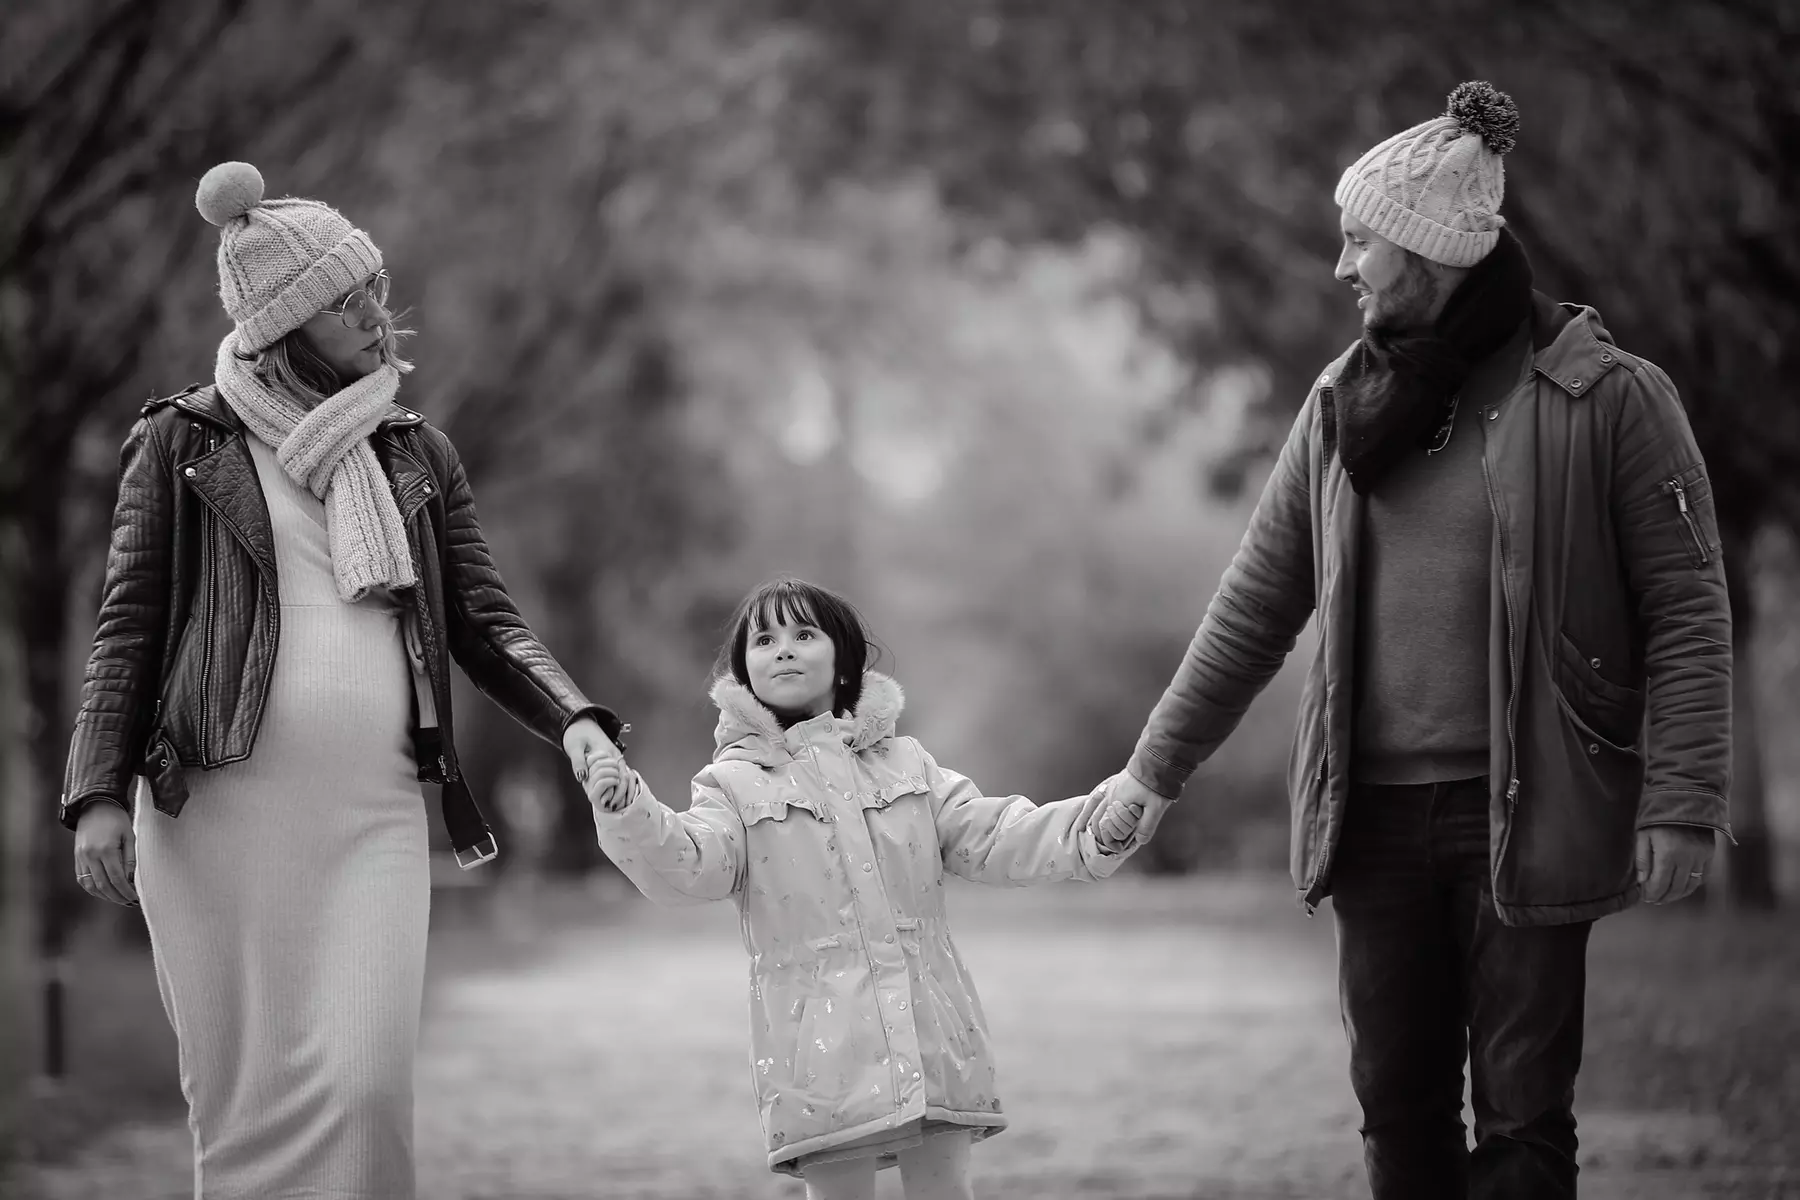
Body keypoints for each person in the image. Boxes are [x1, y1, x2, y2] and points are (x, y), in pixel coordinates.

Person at [1092, 82, 1733, 1199]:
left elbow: (1687, 605)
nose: (1342, 266)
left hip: (1527, 806)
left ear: (1430, 251)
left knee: (1527, 1122)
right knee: (1400, 1118)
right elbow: (1255, 605)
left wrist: (1684, 801)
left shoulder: (1605, 397)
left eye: (1361, 240)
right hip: (1373, 820)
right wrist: (1152, 775)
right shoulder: (1343, 403)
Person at [61, 161, 626, 1199]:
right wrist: (97, 792)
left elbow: (485, 624)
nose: (374, 314)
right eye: (341, 302)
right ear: (285, 326)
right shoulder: (183, 441)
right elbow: (128, 628)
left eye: (371, 288)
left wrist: (578, 722)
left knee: (366, 1093)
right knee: (240, 1107)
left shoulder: (417, 452)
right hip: (211, 814)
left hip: (369, 815)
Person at [581, 577, 1133, 1200]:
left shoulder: (908, 766)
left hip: (929, 1031)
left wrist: (1099, 822)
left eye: (804, 634)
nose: (783, 649)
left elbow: (997, 832)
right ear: (743, 673)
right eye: (764, 639)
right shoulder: (732, 784)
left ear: (844, 661)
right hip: (819, 1051)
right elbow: (689, 864)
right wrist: (629, 809)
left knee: (945, 1190)